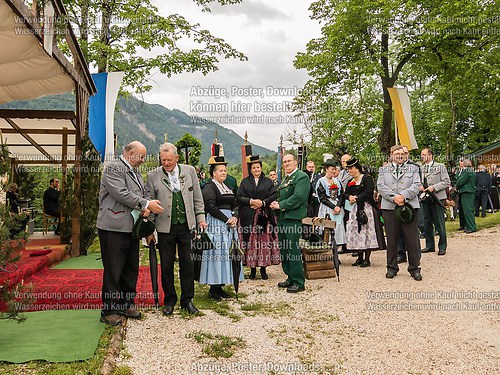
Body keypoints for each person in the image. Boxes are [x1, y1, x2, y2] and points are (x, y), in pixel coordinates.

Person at [97, 141, 164, 325]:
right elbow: (121, 193)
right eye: (141, 156)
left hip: (131, 229)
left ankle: (126, 303)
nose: (143, 160)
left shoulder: (134, 172)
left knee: (130, 268)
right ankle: (109, 310)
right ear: (129, 153)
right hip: (113, 228)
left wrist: (147, 211)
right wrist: (146, 204)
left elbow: (142, 194)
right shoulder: (113, 168)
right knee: (113, 269)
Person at [146, 143, 207, 316]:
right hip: (165, 228)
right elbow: (149, 204)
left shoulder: (189, 171)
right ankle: (170, 301)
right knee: (166, 265)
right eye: (163, 160)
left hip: (186, 226)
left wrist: (200, 219)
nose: (166, 163)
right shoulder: (152, 176)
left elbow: (197, 198)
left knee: (188, 264)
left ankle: (187, 300)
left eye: (169, 160)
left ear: (177, 158)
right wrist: (149, 231)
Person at [200, 156, 243, 301]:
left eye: (225, 170)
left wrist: (235, 217)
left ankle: (221, 286)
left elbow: (236, 204)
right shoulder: (209, 186)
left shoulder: (228, 187)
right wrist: (226, 219)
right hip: (217, 223)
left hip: (230, 224)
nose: (223, 173)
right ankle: (214, 288)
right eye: (220, 171)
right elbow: (210, 207)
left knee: (227, 254)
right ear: (213, 173)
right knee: (217, 253)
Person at [377, 145, 422, 281]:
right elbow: (380, 186)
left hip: (409, 207)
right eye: (397, 153)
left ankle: (414, 268)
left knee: (412, 239)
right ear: (391, 155)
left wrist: (403, 196)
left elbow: (416, 185)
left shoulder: (414, 169)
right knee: (391, 239)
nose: (400, 156)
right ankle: (392, 268)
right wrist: (394, 197)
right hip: (390, 208)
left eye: (402, 153)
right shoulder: (383, 170)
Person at [270, 153, 309, 293]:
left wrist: (281, 205)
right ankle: (290, 277)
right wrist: (276, 205)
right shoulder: (286, 178)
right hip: (283, 218)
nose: (286, 164)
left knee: (293, 250)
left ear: (296, 162)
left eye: (289, 161)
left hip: (293, 218)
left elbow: (299, 197)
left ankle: (299, 281)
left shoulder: (301, 177)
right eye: (284, 162)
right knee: (285, 250)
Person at [237, 155, 280, 280]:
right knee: (251, 243)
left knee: (263, 243)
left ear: (261, 168)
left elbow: (273, 195)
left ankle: (263, 269)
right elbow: (239, 197)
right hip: (249, 216)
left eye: (258, 167)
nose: (256, 170)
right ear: (251, 169)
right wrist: (251, 201)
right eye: (254, 168)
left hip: (263, 216)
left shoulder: (268, 182)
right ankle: (252, 269)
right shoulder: (245, 182)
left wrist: (262, 203)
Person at [343, 157, 386, 267]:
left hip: (366, 208)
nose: (349, 171)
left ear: (356, 168)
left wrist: (357, 198)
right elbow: (345, 193)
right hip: (354, 209)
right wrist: (349, 197)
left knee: (366, 232)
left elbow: (368, 192)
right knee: (356, 232)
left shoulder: (367, 178)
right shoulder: (350, 181)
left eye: (351, 169)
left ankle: (367, 258)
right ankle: (359, 257)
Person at [420, 148, 450, 256]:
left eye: (424, 154)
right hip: (425, 197)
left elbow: (446, 182)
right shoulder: (421, 168)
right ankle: (430, 245)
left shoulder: (440, 166)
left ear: (430, 155)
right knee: (427, 221)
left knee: (439, 222)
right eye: (421, 155)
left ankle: (442, 246)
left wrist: (434, 187)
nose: (422, 156)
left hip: (437, 197)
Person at [315, 159, 346, 249]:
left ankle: (335, 253)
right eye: (332, 169)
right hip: (327, 207)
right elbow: (322, 198)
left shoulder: (337, 181)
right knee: (327, 228)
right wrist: (333, 207)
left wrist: (338, 206)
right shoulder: (321, 181)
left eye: (334, 169)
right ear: (326, 169)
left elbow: (341, 195)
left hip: (337, 207)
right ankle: (327, 253)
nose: (333, 171)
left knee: (337, 227)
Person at [455, 159, 477, 233]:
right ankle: (467, 225)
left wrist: (456, 187)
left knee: (467, 210)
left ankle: (471, 227)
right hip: (470, 191)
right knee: (467, 209)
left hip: (466, 192)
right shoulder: (472, 171)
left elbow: (461, 181)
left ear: (464, 165)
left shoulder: (466, 171)